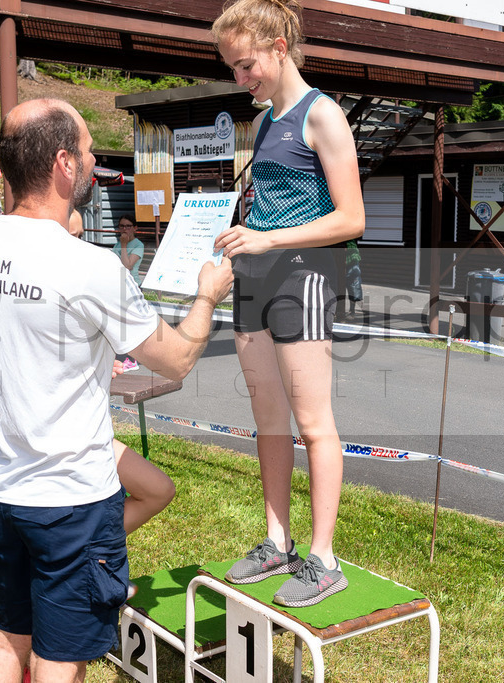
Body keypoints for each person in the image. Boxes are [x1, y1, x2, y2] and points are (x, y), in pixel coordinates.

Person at [0, 98, 232, 683]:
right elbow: (175, 359)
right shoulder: (89, 266)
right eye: (92, 150)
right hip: (71, 497)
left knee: (5, 639)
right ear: (65, 164)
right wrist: (207, 296)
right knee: (60, 655)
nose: (97, 161)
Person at [211, 0, 365, 607]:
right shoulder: (263, 122)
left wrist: (270, 237)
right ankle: (278, 541)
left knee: (313, 423)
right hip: (254, 277)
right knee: (268, 420)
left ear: (279, 46)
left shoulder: (322, 114)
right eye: (232, 68)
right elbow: (266, 207)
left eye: (246, 65)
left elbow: (350, 217)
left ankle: (324, 558)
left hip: (302, 276)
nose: (240, 79)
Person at [112, 214, 144, 285]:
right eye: (122, 226)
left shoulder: (138, 245)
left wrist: (124, 245)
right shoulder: (117, 244)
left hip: (132, 284)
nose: (124, 229)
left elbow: (127, 266)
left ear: (135, 228)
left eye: (128, 226)